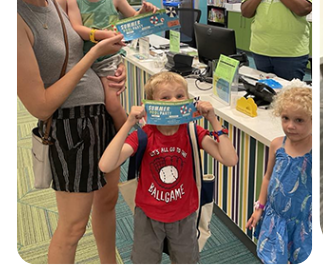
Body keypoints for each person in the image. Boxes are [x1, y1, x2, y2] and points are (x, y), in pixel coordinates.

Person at [16, 0, 127, 264]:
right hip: (70, 128)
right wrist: (93, 54)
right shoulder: (14, 17)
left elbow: (76, 42)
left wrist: (105, 70)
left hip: (100, 118)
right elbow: (41, 105)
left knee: (108, 203)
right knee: (72, 226)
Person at [97, 72, 238, 263]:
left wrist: (213, 120)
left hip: (184, 216)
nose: (174, 102)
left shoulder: (192, 132)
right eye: (165, 98)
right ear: (151, 104)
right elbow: (106, 165)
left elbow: (230, 159)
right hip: (148, 216)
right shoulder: (144, 136)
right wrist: (130, 122)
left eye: (180, 96)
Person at [64, 0, 159, 131]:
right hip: (84, 60)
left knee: (112, 104)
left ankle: (125, 136)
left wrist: (144, 13)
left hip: (108, 59)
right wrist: (101, 35)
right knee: (92, 102)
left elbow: (133, 20)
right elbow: (76, 28)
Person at [248, 86, 313, 264]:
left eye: (299, 120)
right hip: (275, 218)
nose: (290, 126)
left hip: (303, 223)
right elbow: (268, 177)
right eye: (285, 118)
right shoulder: (277, 145)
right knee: (272, 259)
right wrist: (259, 208)